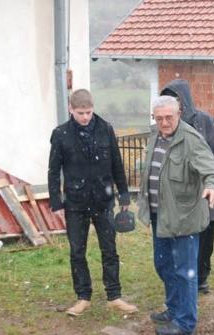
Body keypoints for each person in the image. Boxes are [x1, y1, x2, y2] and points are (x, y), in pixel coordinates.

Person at [48, 89, 138, 316]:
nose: (85, 117)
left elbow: (117, 163)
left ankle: (114, 296)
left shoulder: (105, 129)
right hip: (75, 203)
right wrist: (57, 203)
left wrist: (124, 195)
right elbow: (53, 170)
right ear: (71, 109)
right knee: (77, 251)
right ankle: (83, 297)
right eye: (80, 113)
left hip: (103, 200)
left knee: (109, 249)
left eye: (88, 112)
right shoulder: (61, 134)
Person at [138, 96, 214, 335]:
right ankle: (174, 310)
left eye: (169, 117)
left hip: (184, 217)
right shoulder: (154, 135)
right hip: (160, 214)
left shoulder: (191, 140)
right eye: (159, 118)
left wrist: (212, 187)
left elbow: (212, 170)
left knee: (185, 272)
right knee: (163, 265)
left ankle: (185, 324)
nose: (164, 122)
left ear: (178, 115)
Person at [161, 79, 214, 294]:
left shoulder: (206, 122)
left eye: (177, 100)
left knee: (206, 238)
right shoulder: (168, 126)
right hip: (182, 196)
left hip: (207, 191)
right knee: (185, 241)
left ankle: (201, 278)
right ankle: (185, 277)